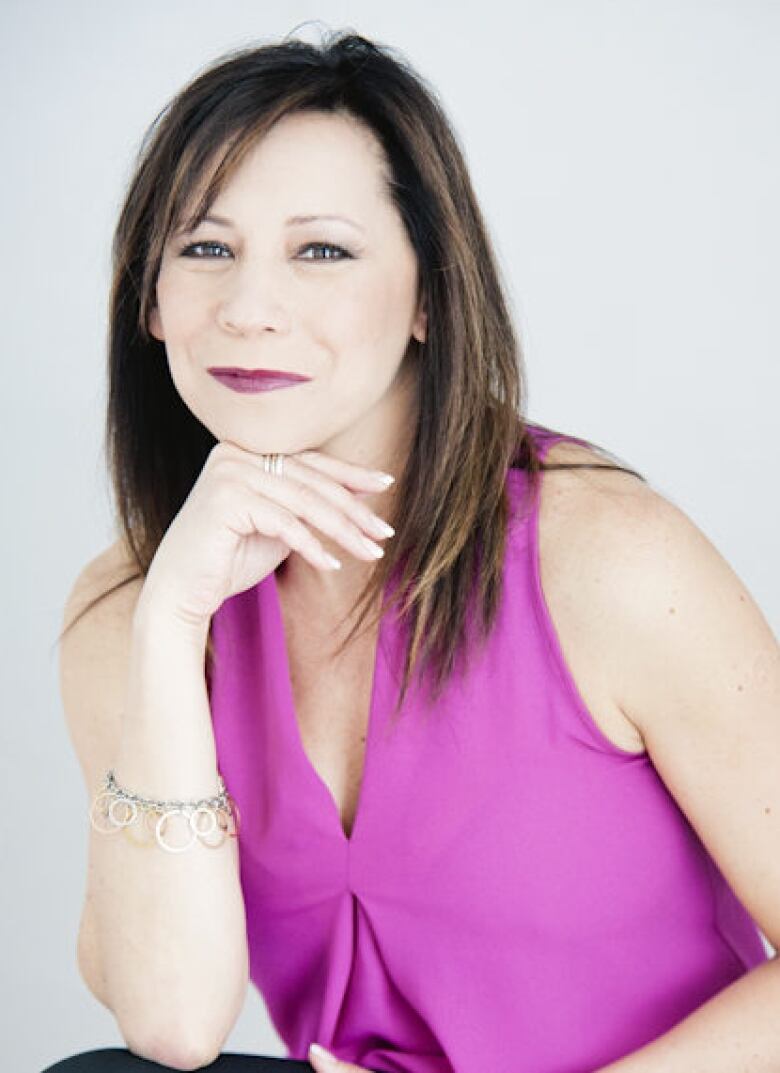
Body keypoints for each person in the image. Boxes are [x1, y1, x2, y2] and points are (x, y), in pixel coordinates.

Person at [49, 27, 779, 1073]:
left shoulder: (608, 561)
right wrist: (168, 628)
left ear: (432, 293)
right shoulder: (130, 607)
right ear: (151, 303)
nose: (249, 310)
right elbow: (169, 1024)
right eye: (205, 248)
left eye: (323, 250)